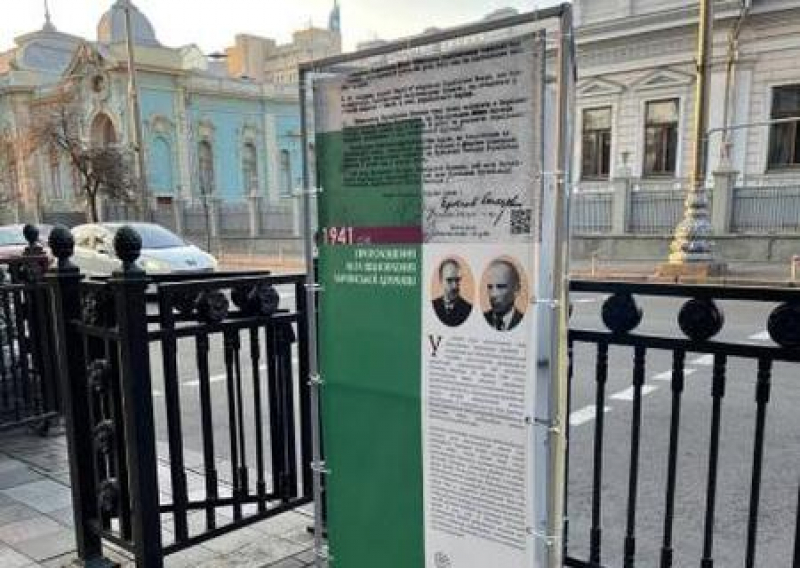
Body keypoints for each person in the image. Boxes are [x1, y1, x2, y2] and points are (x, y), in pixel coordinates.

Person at [483, 259, 524, 331]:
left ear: (516, 289)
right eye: (490, 287)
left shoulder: (524, 322)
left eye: (501, 287)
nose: (493, 295)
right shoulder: (483, 318)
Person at [432, 259, 472, 327]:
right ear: (440, 281)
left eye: (457, 280)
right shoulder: (433, 305)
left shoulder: (468, 309)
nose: (454, 286)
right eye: (449, 280)